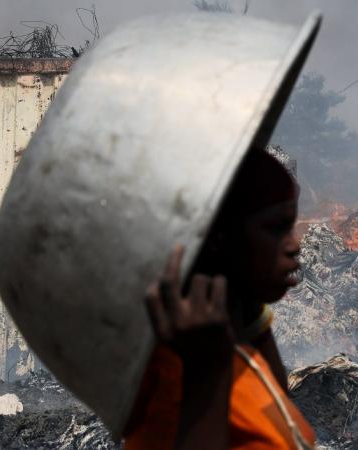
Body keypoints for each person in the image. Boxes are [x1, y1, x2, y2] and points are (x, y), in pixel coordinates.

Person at [124, 148, 316, 449]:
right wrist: (206, 375)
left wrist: (251, 310)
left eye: (291, 227)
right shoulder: (180, 377)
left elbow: (285, 426)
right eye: (276, 229)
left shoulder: (236, 348)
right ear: (218, 240)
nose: (295, 245)